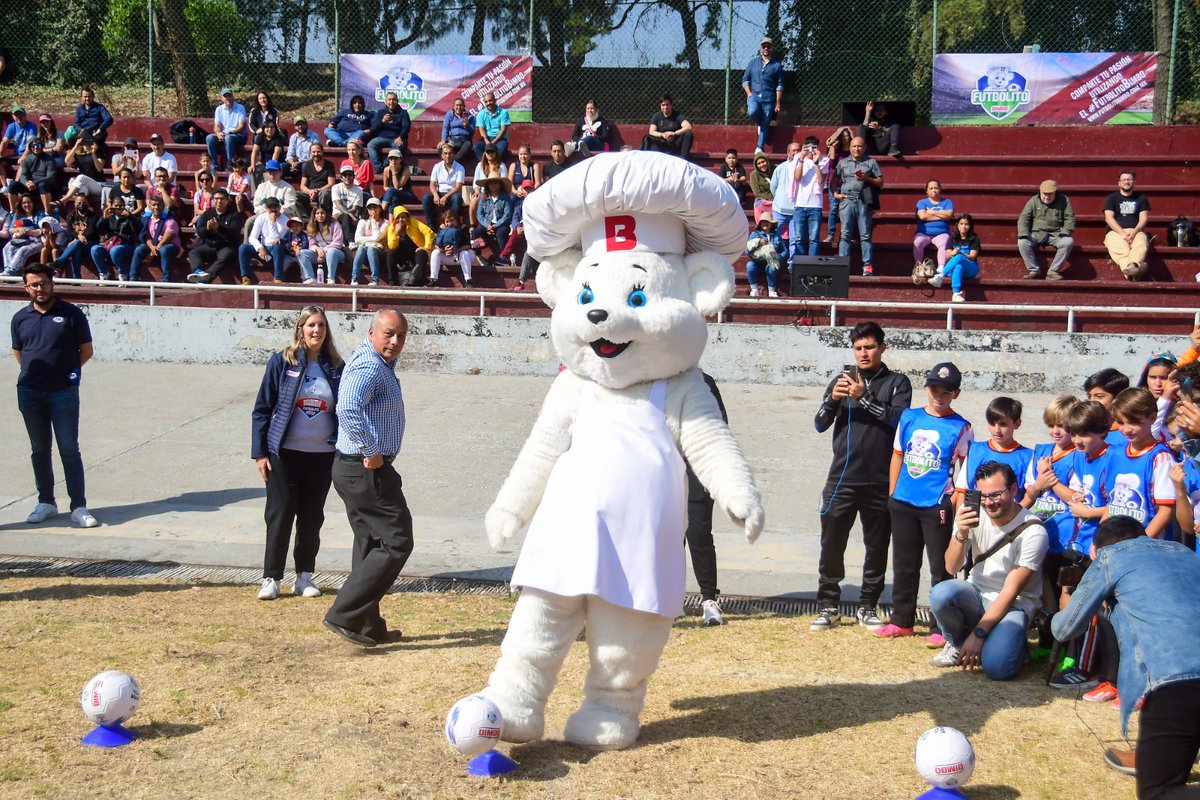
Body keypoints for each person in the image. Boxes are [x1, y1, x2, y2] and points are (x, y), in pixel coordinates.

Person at [1051, 516, 1200, 800]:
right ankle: (1151, 754)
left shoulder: (1109, 558)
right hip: (1182, 684)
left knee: (1159, 794)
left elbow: (1064, 629)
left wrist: (1066, 602)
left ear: (1095, 551)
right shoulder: (1185, 552)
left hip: (1176, 683)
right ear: (1143, 536)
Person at [812, 321, 913, 631]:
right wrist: (834, 400)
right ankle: (829, 605)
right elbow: (819, 423)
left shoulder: (898, 382)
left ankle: (868, 605)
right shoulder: (841, 380)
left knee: (877, 546)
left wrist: (864, 398)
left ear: (882, 348)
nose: (863, 353)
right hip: (842, 478)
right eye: (858, 348)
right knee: (831, 544)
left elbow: (899, 421)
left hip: (881, 480)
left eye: (869, 347)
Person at [322, 310, 414, 647]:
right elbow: (346, 407)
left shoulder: (377, 363)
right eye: (389, 334)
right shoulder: (369, 366)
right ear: (371, 331)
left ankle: (366, 625)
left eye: (401, 336)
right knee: (397, 540)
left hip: (355, 468)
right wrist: (372, 448)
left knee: (371, 542)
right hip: (365, 468)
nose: (395, 342)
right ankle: (344, 614)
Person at [251, 306, 344, 601]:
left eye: (322, 326)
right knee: (279, 515)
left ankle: (304, 576)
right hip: (284, 454)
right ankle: (271, 578)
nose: (317, 330)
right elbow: (262, 409)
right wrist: (260, 453)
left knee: (311, 517)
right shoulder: (282, 362)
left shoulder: (336, 366)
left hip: (321, 456)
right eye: (311, 325)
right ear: (300, 329)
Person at [881, 362, 973, 642]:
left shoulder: (961, 427)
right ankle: (902, 620)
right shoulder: (909, 418)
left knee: (941, 567)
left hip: (936, 506)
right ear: (926, 388)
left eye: (946, 392)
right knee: (904, 563)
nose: (939, 396)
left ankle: (941, 626)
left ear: (955, 393)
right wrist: (892, 494)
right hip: (904, 502)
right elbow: (898, 454)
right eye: (934, 389)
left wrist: (954, 504)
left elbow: (964, 471)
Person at [931, 461, 1048, 679]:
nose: (988, 502)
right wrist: (961, 534)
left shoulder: (1034, 532)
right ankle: (958, 643)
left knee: (997, 669)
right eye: (982, 496)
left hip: (1014, 605)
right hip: (976, 594)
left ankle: (1009, 645)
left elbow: (1010, 592)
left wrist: (978, 634)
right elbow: (951, 567)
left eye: (995, 494)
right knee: (941, 593)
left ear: (1014, 490)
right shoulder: (972, 514)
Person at [12, 263, 98, 528]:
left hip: (63, 392)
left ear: (52, 283)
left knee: (69, 449)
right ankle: (46, 502)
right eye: (34, 285)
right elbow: (19, 353)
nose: (40, 289)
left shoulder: (71, 314)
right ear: (26, 288)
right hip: (29, 392)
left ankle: (79, 506)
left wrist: (67, 374)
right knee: (39, 449)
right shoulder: (20, 318)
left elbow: (86, 350)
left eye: (44, 283)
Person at [1103, 387, 1176, 538]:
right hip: (1116, 542)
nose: (1126, 429)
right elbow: (1112, 503)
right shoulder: (1114, 452)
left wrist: (1140, 545)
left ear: (1152, 417)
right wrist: (1099, 539)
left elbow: (1166, 511)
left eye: (1134, 422)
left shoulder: (1160, 457)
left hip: (1147, 547)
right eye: (1120, 422)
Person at [688, 372, 731, 625]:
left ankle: (708, 599)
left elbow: (720, 427)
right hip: (663, 469)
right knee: (663, 539)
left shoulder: (704, 382)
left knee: (699, 533)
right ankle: (664, 599)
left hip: (698, 468)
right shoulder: (653, 380)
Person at [954, 396, 1033, 502]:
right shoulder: (975, 450)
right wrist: (961, 517)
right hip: (977, 516)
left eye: (1003, 424)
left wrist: (1015, 517)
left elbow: (1030, 496)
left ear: (1017, 423)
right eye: (992, 423)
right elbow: (962, 491)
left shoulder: (1028, 457)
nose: (997, 430)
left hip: (1011, 516)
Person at [834, 136, 883, 276]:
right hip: (846, 201)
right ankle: (843, 265)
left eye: (859, 146)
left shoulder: (871, 162)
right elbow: (834, 180)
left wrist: (866, 178)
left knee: (865, 235)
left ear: (864, 148)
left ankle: (867, 266)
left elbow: (880, 182)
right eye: (854, 146)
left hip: (863, 201)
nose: (857, 149)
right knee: (845, 234)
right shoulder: (842, 163)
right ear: (850, 148)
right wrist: (836, 194)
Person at [1017, 179, 1075, 280]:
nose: (1047, 197)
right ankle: (1034, 270)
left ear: (1055, 192)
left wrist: (1065, 232)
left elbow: (1070, 217)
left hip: (1056, 233)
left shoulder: (1064, 200)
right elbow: (1023, 218)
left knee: (1068, 242)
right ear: (1040, 191)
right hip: (1037, 233)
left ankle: (1053, 272)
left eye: (1050, 194)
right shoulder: (1033, 201)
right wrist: (1023, 233)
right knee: (1022, 242)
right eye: (1044, 194)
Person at [187, 188, 245, 284]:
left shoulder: (234, 215)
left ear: (227, 200)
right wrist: (208, 229)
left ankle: (206, 280)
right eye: (216, 199)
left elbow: (234, 232)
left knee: (224, 257)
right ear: (213, 200)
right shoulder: (207, 214)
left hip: (226, 246)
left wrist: (218, 227)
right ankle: (199, 272)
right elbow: (200, 231)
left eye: (222, 199)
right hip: (210, 245)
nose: (219, 201)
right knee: (194, 253)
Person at [1104, 170, 1152, 281]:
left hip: (1136, 231)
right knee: (1122, 250)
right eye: (1124, 180)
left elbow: (1143, 219)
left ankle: (1130, 270)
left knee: (1141, 244)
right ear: (1119, 183)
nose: (1127, 182)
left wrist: (1134, 233)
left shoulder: (1141, 198)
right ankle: (1136, 270)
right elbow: (1109, 218)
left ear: (1134, 182)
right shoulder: (1112, 198)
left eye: (1129, 179)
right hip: (1115, 232)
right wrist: (1123, 234)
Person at [743, 36, 784, 154]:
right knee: (752, 112)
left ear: (772, 48)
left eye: (768, 46)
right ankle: (759, 123)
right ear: (760, 48)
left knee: (766, 122)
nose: (766, 48)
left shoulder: (777, 66)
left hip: (769, 99)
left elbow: (780, 85)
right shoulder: (753, 62)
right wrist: (749, 94)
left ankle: (760, 147)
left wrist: (778, 102)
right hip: (754, 96)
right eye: (763, 46)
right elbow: (745, 80)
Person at [929, 213, 981, 303]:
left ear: (970, 226)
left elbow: (972, 257)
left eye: (966, 224)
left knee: (959, 257)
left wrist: (960, 253)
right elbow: (947, 255)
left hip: (971, 268)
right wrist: (953, 252)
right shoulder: (952, 238)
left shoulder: (974, 239)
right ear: (957, 225)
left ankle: (940, 275)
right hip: (953, 269)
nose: (964, 227)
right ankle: (956, 293)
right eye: (961, 224)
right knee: (958, 266)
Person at [791, 136, 829, 258]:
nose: (811, 150)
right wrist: (802, 159)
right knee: (799, 238)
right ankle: (801, 264)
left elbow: (821, 180)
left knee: (814, 239)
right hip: (800, 204)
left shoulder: (824, 160)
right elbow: (797, 177)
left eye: (814, 147)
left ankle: (812, 266)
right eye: (808, 147)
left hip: (815, 205)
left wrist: (816, 162)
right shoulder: (797, 159)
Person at [238, 196, 290, 283]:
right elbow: (252, 237)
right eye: (270, 207)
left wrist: (273, 222)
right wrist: (260, 247)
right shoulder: (261, 218)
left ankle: (278, 277)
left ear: (279, 207)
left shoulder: (285, 220)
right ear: (266, 208)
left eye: (275, 207)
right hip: (264, 246)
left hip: (277, 249)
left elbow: (276, 239)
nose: (273, 209)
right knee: (243, 247)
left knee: (278, 246)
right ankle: (246, 278)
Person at [129, 195, 180, 282]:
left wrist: (152, 254)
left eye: (159, 205)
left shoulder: (170, 220)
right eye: (153, 205)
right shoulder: (147, 219)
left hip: (168, 245)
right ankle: (133, 278)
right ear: (149, 206)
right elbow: (147, 236)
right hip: (153, 245)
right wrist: (152, 247)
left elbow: (167, 238)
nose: (156, 207)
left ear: (163, 206)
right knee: (139, 250)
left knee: (164, 250)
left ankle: (166, 279)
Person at [90, 196, 140, 280]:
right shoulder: (110, 218)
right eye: (116, 205)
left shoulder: (129, 217)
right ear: (112, 206)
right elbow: (100, 230)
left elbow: (137, 230)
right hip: (110, 243)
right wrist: (104, 218)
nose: (118, 208)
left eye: (120, 206)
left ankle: (122, 273)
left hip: (125, 245)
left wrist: (130, 217)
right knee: (95, 249)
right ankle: (103, 273)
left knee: (115, 250)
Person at [4, 138, 58, 215]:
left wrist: (35, 183)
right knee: (12, 185)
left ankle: (47, 212)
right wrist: (26, 183)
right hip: (30, 185)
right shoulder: (27, 159)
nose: (35, 147)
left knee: (43, 185)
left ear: (42, 146)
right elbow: (23, 175)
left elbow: (50, 176)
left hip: (45, 184)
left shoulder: (49, 159)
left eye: (38, 145)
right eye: (33, 146)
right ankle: (13, 212)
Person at [54, 195, 100, 279]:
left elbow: (91, 232)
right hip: (78, 243)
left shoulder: (93, 216)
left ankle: (59, 262)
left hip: (90, 243)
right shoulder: (71, 216)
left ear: (88, 204)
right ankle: (76, 278)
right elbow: (69, 232)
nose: (81, 205)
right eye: (79, 203)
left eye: (84, 203)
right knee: (77, 248)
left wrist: (78, 238)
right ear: (75, 204)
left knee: (77, 244)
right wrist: (78, 236)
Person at [384, 208, 433, 286]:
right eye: (398, 217)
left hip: (414, 252)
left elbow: (429, 232)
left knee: (422, 253)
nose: (401, 220)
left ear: (407, 217)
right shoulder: (391, 228)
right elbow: (391, 246)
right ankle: (392, 280)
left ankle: (418, 281)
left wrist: (426, 247)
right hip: (401, 256)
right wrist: (396, 233)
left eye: (403, 217)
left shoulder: (414, 223)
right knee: (390, 253)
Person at [913, 179, 954, 271]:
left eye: (936, 188)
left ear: (940, 189)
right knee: (917, 242)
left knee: (945, 242)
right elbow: (923, 216)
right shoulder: (922, 202)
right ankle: (918, 267)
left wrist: (931, 212)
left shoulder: (947, 202)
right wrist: (942, 214)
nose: (934, 190)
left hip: (941, 233)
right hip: (924, 233)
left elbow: (949, 215)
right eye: (931, 188)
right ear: (927, 191)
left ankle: (941, 269)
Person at [471, 176, 513, 267]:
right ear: (487, 185)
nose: (493, 185)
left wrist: (495, 226)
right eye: (491, 183)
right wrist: (488, 225)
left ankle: (503, 257)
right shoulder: (484, 196)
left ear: (500, 184)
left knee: (501, 234)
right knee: (476, 232)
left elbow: (507, 215)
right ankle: (478, 254)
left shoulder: (505, 197)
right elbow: (479, 214)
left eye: (495, 183)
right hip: (487, 223)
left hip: (500, 224)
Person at [366, 92, 411, 172]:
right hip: (381, 137)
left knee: (397, 149)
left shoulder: (403, 113)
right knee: (370, 145)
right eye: (389, 100)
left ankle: (384, 165)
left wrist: (400, 137)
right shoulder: (380, 112)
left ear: (397, 101)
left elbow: (406, 127)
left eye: (394, 100)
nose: (391, 102)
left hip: (396, 138)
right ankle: (377, 167)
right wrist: (382, 121)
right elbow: (374, 127)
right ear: (386, 101)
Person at [769, 141, 801, 250]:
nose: (796, 153)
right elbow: (773, 187)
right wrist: (780, 199)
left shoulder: (804, 167)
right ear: (788, 153)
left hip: (796, 210)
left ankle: (792, 266)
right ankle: (772, 264)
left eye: (799, 150)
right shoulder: (780, 168)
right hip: (779, 210)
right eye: (794, 151)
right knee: (774, 238)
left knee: (795, 240)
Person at [206, 87, 248, 171]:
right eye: (225, 96)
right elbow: (217, 126)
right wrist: (218, 133)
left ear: (233, 97)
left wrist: (229, 133)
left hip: (239, 135)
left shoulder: (240, 108)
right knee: (209, 138)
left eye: (229, 95)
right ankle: (214, 165)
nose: (228, 98)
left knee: (229, 138)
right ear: (221, 98)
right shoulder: (219, 109)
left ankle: (230, 165)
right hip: (226, 135)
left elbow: (241, 126)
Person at [422, 144, 465, 226]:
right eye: (445, 153)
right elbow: (432, 184)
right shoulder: (437, 166)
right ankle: (432, 226)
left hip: (452, 194)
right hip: (440, 192)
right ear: (442, 155)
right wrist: (435, 195)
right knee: (426, 198)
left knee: (457, 198)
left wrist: (445, 197)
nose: (447, 156)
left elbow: (458, 187)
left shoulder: (460, 167)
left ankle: (454, 225)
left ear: (453, 154)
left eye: (450, 153)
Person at [824, 126, 853, 243]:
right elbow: (831, 165)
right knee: (834, 208)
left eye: (847, 136)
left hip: (848, 183)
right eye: (843, 136)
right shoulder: (836, 149)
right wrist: (833, 148)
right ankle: (831, 234)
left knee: (847, 209)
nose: (845, 138)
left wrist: (848, 129)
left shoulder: (853, 150)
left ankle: (845, 234)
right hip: (835, 182)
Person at [302, 206, 345, 283]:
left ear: (326, 214)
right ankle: (310, 277)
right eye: (317, 213)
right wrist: (318, 250)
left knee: (331, 252)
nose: (320, 215)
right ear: (314, 215)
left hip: (336, 253)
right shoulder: (311, 226)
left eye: (322, 213)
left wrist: (324, 251)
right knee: (302, 253)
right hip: (318, 253)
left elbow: (338, 243)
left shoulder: (335, 224)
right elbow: (311, 244)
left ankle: (331, 278)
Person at [60, 134, 107, 205]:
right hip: (84, 184)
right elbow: (67, 161)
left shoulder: (98, 152)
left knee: (81, 177)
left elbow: (99, 168)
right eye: (84, 140)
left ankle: (65, 199)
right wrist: (75, 146)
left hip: (98, 184)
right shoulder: (78, 153)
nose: (86, 142)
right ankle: (83, 210)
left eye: (88, 140)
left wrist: (93, 153)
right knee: (79, 189)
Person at [744, 217, 785, 297]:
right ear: (760, 224)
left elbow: (785, 251)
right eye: (763, 222)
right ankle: (754, 289)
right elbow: (747, 251)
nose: (765, 223)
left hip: (771, 262)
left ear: (771, 224)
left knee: (771, 266)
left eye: (767, 221)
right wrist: (758, 243)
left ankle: (772, 291)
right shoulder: (754, 234)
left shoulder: (777, 235)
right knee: (750, 266)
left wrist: (778, 258)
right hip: (757, 263)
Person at [351, 196, 387, 285]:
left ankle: (375, 280)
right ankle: (354, 279)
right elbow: (357, 239)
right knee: (361, 248)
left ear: (380, 208)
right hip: (365, 252)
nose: (372, 210)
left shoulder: (386, 222)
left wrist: (373, 221)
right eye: (370, 208)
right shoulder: (363, 222)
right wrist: (371, 241)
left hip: (380, 252)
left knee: (370, 248)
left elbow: (378, 238)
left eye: (375, 207)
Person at [331, 164, 365, 247]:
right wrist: (348, 214)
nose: (347, 177)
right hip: (337, 216)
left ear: (353, 176)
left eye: (350, 175)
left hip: (351, 217)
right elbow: (338, 205)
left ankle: (348, 241)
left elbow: (354, 208)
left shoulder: (359, 190)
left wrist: (348, 214)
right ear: (341, 177)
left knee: (346, 216)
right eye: (344, 175)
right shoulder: (335, 187)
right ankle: (350, 241)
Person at [298, 141, 335, 214]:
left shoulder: (329, 165)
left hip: (323, 191)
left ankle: (323, 218)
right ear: (310, 153)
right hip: (310, 193)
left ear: (322, 152)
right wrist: (310, 192)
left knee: (325, 193)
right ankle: (305, 221)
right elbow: (302, 185)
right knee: (296, 196)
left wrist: (317, 191)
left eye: (318, 152)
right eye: (313, 152)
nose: (316, 154)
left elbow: (331, 183)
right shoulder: (307, 165)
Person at [473, 93, 511, 161]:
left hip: (500, 139)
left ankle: (496, 166)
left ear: (495, 100)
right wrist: (486, 140)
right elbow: (481, 129)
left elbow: (503, 130)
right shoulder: (481, 114)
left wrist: (493, 143)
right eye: (486, 101)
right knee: (476, 147)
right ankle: (484, 165)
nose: (488, 103)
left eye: (490, 100)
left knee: (502, 147)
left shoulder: (503, 112)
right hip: (486, 139)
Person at [438, 97, 475, 164]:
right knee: (440, 147)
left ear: (464, 106)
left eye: (461, 105)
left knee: (468, 145)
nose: (459, 107)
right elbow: (445, 128)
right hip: (452, 140)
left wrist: (467, 125)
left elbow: (472, 131)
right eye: (457, 105)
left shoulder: (470, 116)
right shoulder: (449, 115)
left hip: (464, 140)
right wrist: (443, 140)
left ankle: (453, 162)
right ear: (453, 106)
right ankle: (449, 162)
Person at [283, 116, 320, 181]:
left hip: (309, 163)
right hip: (296, 163)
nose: (300, 126)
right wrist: (292, 164)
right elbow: (289, 155)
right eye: (297, 125)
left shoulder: (314, 136)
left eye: (302, 124)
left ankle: (304, 187)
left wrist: (299, 163)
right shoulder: (293, 137)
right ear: (295, 127)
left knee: (304, 166)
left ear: (306, 124)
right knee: (282, 166)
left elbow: (315, 156)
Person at [380, 149, 416, 213]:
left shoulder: (406, 169)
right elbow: (385, 186)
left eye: (396, 158)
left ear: (400, 159)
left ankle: (381, 211)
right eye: (391, 158)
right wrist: (390, 192)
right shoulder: (386, 170)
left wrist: (393, 172)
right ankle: (391, 221)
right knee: (393, 199)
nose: (393, 161)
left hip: (406, 194)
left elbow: (397, 187)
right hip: (394, 194)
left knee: (391, 190)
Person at [748, 152, 773, 224]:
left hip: (777, 199)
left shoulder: (775, 170)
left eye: (763, 162)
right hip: (764, 200)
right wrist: (771, 198)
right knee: (758, 204)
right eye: (759, 163)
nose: (762, 165)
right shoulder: (754, 175)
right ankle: (760, 228)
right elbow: (757, 193)